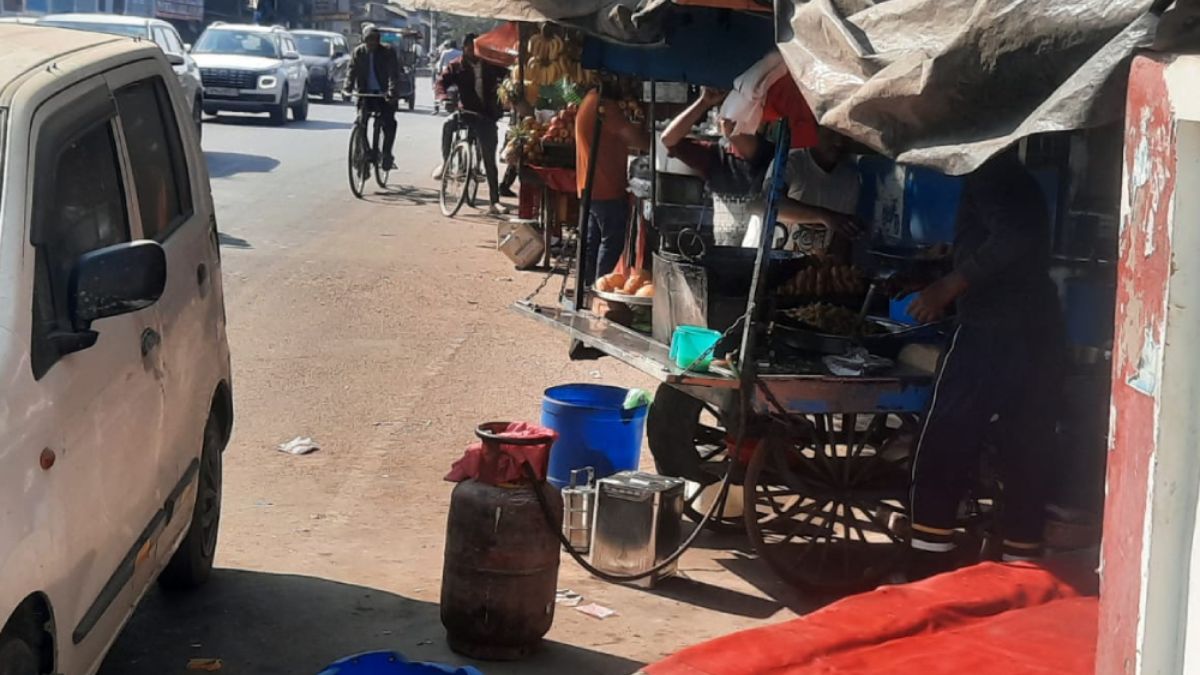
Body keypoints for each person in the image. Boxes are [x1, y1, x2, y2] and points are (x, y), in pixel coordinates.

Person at [904, 149, 1066, 578]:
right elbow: (1010, 238)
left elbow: (1012, 235)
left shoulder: (992, 171)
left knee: (945, 437)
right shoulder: (1014, 177)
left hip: (994, 326)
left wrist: (948, 286)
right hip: (1038, 328)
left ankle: (927, 559)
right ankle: (1021, 561)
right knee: (1026, 443)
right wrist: (954, 254)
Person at [662, 87, 776, 245]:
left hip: (764, 258)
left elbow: (732, 131)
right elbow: (668, 139)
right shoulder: (716, 156)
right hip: (725, 257)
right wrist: (703, 103)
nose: (729, 121)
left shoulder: (773, 156)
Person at [575, 83, 650, 283]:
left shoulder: (590, 100)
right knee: (611, 243)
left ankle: (587, 287)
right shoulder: (605, 106)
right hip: (606, 187)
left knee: (592, 243)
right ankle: (601, 288)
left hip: (591, 186)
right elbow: (635, 139)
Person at [432, 34, 508, 215]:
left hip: (486, 115)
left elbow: (508, 76)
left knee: (489, 158)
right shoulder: (456, 66)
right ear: (465, 48)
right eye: (470, 47)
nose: (474, 51)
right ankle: (446, 164)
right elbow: (441, 83)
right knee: (448, 125)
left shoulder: (491, 65)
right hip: (465, 112)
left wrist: (509, 91)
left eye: (477, 48)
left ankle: (494, 201)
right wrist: (444, 99)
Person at [764, 126, 861, 257]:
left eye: (845, 136)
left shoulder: (850, 177)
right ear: (816, 129)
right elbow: (769, 203)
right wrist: (824, 216)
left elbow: (841, 240)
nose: (839, 142)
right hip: (777, 260)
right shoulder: (791, 162)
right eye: (831, 134)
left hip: (813, 269)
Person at [343, 25, 400, 170]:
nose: (371, 43)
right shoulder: (358, 53)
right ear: (363, 40)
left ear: (378, 41)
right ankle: (366, 152)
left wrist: (392, 91)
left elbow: (393, 74)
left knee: (389, 123)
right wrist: (347, 89)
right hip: (365, 93)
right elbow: (351, 72)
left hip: (384, 94)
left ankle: (386, 153)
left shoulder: (387, 52)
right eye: (368, 40)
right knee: (360, 123)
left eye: (374, 40)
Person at [431, 40, 461, 114]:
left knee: (437, 87)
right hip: (457, 74)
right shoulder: (460, 53)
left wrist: (439, 72)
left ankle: (436, 108)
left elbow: (440, 64)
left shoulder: (445, 52)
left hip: (446, 73)